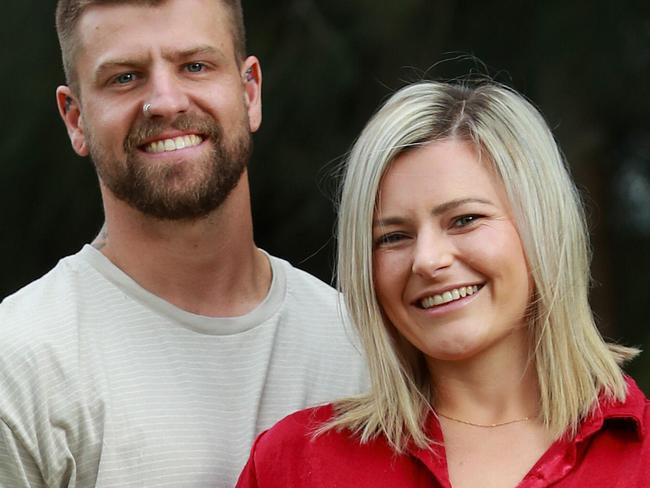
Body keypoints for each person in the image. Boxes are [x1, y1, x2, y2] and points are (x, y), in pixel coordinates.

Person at [0, 0, 367, 486]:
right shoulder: (21, 364)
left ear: (250, 90)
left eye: (195, 66)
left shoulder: (358, 348)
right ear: (75, 118)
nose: (167, 102)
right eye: (125, 78)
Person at [236, 80, 650, 487]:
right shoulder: (294, 465)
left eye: (464, 220)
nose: (428, 260)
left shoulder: (640, 455)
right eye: (393, 237)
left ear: (541, 226)